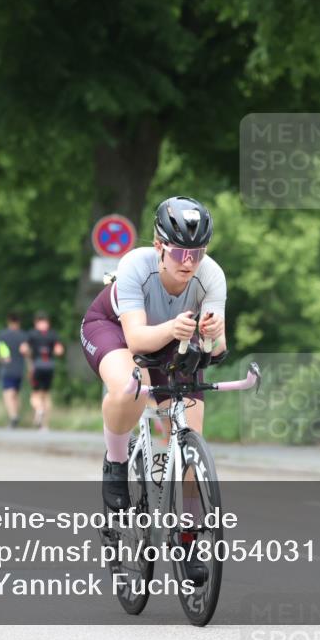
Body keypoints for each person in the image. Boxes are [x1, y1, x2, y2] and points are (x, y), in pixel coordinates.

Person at [80, 196, 225, 584]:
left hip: (171, 338)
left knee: (190, 437)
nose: (188, 261)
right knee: (133, 387)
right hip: (114, 329)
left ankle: (190, 538)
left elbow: (217, 351)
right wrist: (177, 329)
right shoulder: (134, 266)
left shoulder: (211, 276)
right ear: (159, 246)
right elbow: (138, 339)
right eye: (179, 251)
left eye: (197, 252)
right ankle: (116, 463)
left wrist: (212, 338)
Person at [21, 311, 64, 431]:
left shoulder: (32, 334)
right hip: (49, 365)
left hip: (37, 366)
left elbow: (23, 349)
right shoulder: (52, 334)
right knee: (46, 395)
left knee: (35, 395)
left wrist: (30, 354)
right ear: (47, 322)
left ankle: (39, 410)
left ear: (36, 322)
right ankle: (45, 425)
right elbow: (59, 351)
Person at [0, 312, 27, 428]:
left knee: (7, 395)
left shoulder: (2, 335)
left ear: (9, 321)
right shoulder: (23, 336)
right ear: (18, 322)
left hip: (7, 369)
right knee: (15, 394)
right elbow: (26, 351)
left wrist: (1, 360)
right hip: (19, 369)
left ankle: (13, 417)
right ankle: (16, 415)